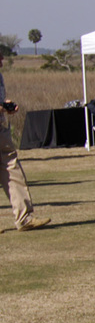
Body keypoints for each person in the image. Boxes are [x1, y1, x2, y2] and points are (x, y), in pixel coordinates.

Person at [0, 54, 51, 231]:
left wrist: (6, 105)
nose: (1, 61)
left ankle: (24, 217)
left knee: (13, 170)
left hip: (1, 128)